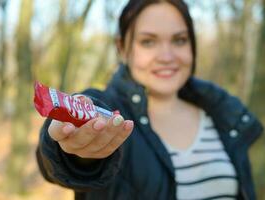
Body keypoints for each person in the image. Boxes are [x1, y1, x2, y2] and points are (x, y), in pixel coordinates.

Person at [36, 0, 263, 199]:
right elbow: (56, 163)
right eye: (148, 42)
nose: (166, 56)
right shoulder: (107, 110)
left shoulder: (222, 114)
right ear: (122, 48)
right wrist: (76, 154)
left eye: (180, 40)